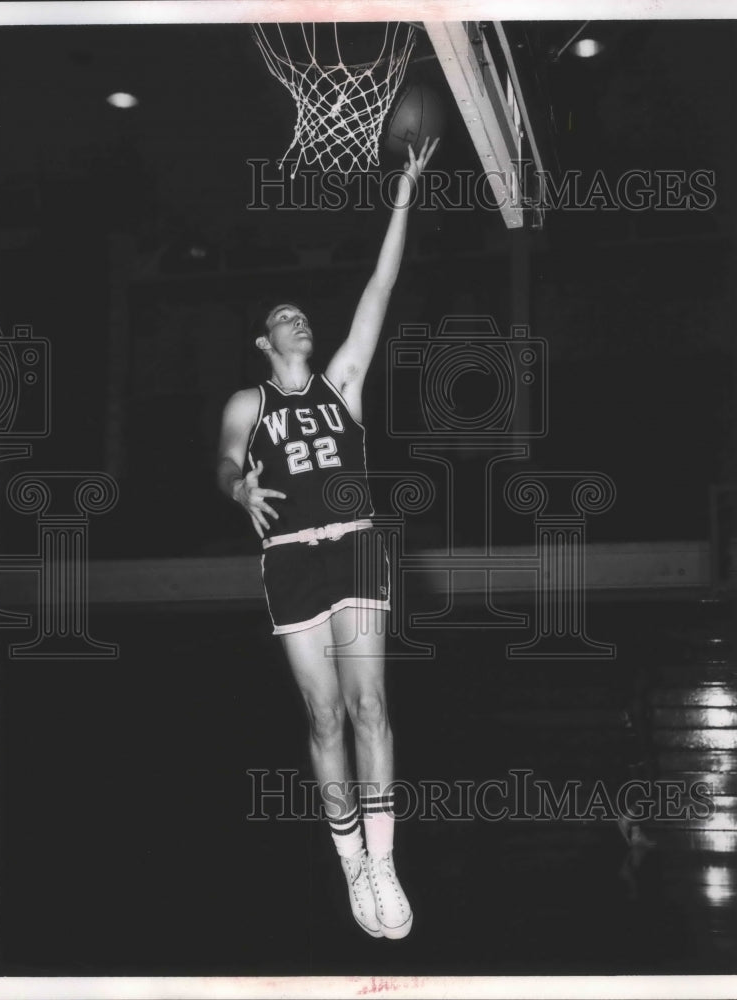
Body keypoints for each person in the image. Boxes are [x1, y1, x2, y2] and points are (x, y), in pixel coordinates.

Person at [217, 138, 438, 939]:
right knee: (323, 718)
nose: (298, 318)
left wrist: (405, 192)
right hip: (289, 561)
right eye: (283, 317)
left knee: (370, 704)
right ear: (264, 343)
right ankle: (348, 863)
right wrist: (239, 485)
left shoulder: (344, 380)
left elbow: (381, 284)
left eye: (302, 313)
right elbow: (221, 469)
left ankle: (383, 861)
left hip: (353, 545)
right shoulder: (250, 404)